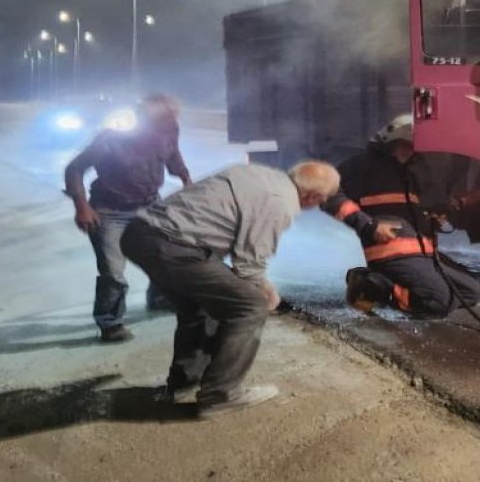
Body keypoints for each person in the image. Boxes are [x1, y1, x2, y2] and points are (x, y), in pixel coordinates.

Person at [120, 161, 390, 416]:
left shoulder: (261, 175)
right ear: (312, 196)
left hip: (142, 234)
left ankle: (183, 384)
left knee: (201, 304)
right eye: (322, 199)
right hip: (171, 244)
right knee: (249, 306)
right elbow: (248, 263)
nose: (320, 204)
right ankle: (220, 395)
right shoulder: (279, 203)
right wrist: (266, 292)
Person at [64, 93, 191, 342]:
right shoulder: (113, 137)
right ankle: (110, 323)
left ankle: (158, 297)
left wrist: (186, 178)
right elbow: (75, 168)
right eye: (165, 116)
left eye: (173, 116)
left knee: (162, 256)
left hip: (149, 204)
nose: (172, 121)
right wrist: (82, 207)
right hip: (110, 210)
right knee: (113, 271)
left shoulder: (168, 131)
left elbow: (173, 154)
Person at [331, 114, 480, 318]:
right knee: (436, 303)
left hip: (421, 251)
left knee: (472, 292)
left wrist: (431, 219)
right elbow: (328, 195)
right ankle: (371, 285)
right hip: (389, 251)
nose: (410, 153)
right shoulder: (360, 166)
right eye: (405, 146)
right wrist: (367, 225)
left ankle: (405, 289)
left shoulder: (407, 173)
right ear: (390, 143)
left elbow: (408, 212)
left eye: (413, 148)